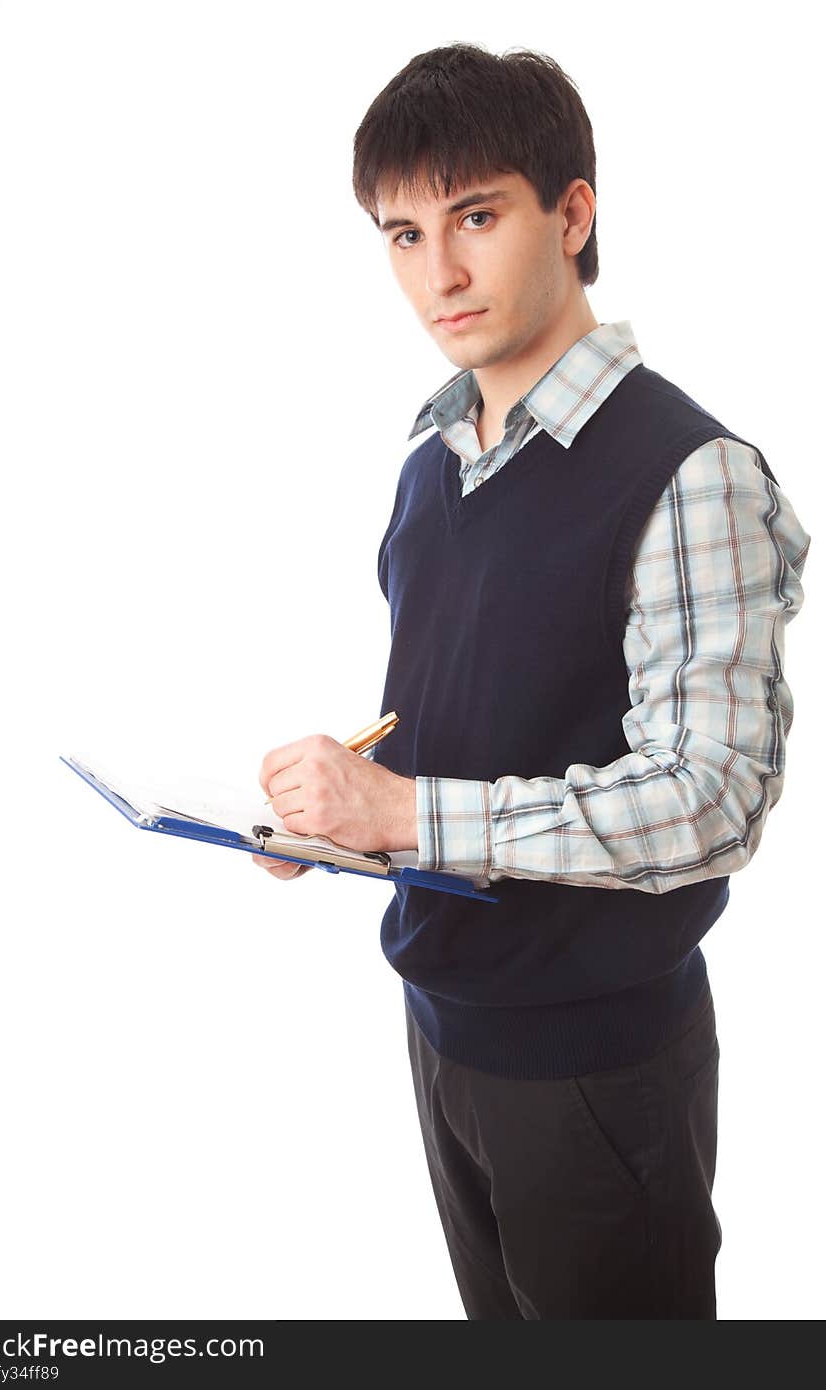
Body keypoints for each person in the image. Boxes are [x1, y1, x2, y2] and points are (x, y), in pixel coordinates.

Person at [251, 42, 812, 1318]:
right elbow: (474, 717)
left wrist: (405, 814)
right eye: (401, 234)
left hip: (595, 1063)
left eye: (476, 217)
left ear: (571, 212)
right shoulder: (431, 461)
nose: (437, 272)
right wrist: (346, 820)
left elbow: (711, 797)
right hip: (444, 1023)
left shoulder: (690, 471)